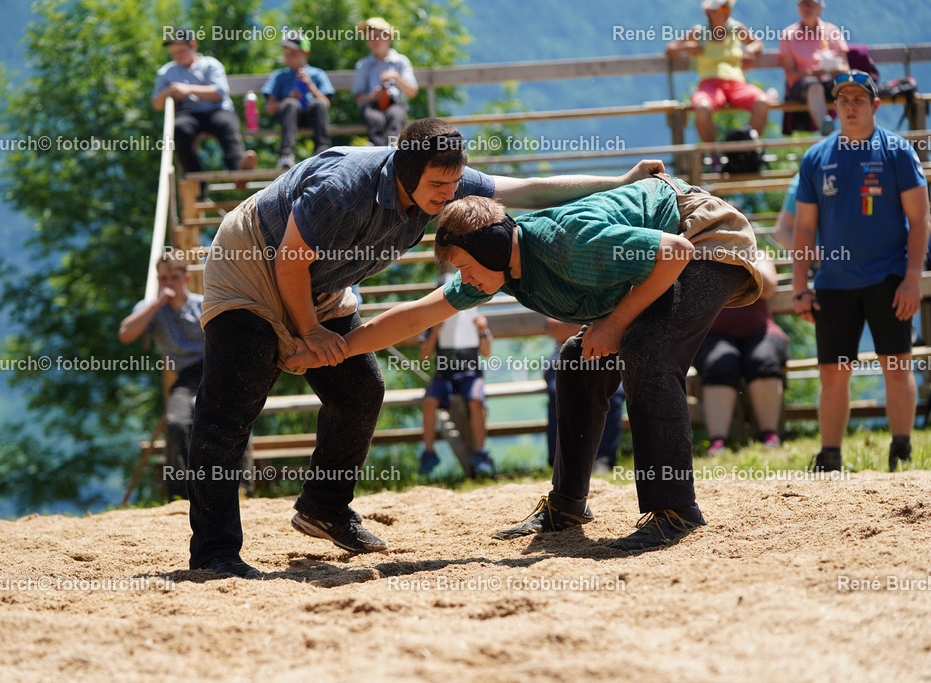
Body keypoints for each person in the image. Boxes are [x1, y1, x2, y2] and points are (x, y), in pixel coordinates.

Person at [186, 117, 677, 578]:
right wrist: (310, 333)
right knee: (229, 409)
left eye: (454, 184)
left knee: (359, 391)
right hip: (253, 265)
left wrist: (620, 180)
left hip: (322, 283)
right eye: (439, 187)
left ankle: (324, 507)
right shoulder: (340, 188)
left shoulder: (442, 180)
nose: (450, 195)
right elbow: (290, 260)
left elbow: (526, 190)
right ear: (404, 172)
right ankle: (214, 553)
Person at [289, 172, 763, 551]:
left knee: (646, 351)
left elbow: (675, 252)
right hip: (668, 251)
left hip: (703, 234)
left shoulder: (568, 241)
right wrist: (333, 348)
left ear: (491, 247)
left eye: (464, 265)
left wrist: (614, 325)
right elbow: (418, 314)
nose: (463, 277)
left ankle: (675, 511)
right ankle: (567, 505)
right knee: (577, 360)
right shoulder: (494, 270)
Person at [792, 70, 930, 472]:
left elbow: (920, 220)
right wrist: (801, 287)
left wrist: (912, 278)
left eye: (859, 99)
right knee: (833, 372)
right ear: (835, 106)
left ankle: (901, 451)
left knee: (896, 362)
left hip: (889, 278)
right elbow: (803, 228)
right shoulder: (816, 157)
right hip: (833, 282)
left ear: (875, 105)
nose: (850, 106)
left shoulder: (897, 151)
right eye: (844, 99)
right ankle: (830, 457)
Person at [118, 255, 205, 501]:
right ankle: (182, 496)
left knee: (229, 416)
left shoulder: (202, 304)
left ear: (186, 278)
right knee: (176, 421)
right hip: (186, 378)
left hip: (215, 371)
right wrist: (158, 303)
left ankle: (240, 487)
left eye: (174, 277)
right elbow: (125, 334)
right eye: (163, 278)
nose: (168, 283)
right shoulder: (150, 308)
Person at [695, 254, 789, 455]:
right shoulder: (699, 252)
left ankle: (770, 435)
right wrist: (744, 278)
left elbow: (768, 286)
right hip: (713, 334)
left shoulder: (756, 252)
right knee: (720, 363)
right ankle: (717, 442)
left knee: (763, 359)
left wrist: (736, 259)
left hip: (761, 331)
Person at [152, 28, 257, 199]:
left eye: (180, 51)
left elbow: (219, 93)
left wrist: (188, 89)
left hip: (218, 110)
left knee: (227, 125)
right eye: (173, 53)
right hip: (189, 114)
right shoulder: (166, 72)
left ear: (192, 45)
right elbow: (156, 104)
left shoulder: (211, 64)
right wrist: (168, 91)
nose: (176, 56)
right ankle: (197, 184)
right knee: (178, 128)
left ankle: (238, 172)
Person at [417, 272, 493, 477]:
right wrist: (435, 332)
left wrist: (483, 331)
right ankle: (429, 453)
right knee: (429, 402)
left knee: (476, 401)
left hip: (470, 374)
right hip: (444, 375)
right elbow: (424, 356)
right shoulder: (433, 321)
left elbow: (486, 353)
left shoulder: (476, 318)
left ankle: (481, 453)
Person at [665, 0, 769, 145]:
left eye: (729, 7)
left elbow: (757, 43)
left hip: (737, 84)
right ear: (710, 12)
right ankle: (715, 156)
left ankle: (747, 149)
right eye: (723, 8)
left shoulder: (736, 28)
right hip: (709, 85)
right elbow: (670, 49)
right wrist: (686, 47)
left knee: (762, 102)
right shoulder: (698, 32)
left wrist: (750, 50)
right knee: (702, 108)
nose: (728, 11)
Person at [544, 319, 624, 474]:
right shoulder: (558, 294)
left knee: (614, 393)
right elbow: (554, 329)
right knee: (557, 391)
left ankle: (603, 460)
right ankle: (559, 461)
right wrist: (596, 324)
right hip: (563, 353)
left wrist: (579, 323)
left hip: (604, 351)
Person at [262, 31, 335, 170]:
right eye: (286, 54)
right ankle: (286, 155)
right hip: (289, 118)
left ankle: (322, 151)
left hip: (311, 117)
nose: (288, 58)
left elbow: (326, 104)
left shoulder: (317, 74)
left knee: (318, 104)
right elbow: (270, 108)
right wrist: (288, 99)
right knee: (291, 104)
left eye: (293, 54)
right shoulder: (279, 76)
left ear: (305, 53)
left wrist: (310, 86)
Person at [779, 0, 849, 135]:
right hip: (802, 87)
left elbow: (846, 67)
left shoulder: (833, 31)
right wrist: (812, 73)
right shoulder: (788, 34)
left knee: (849, 85)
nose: (807, 8)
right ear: (798, 8)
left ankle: (858, 133)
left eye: (810, 4)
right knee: (813, 85)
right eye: (803, 4)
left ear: (820, 8)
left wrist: (834, 69)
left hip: (831, 81)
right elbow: (790, 75)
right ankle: (829, 133)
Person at [353, 17, 418, 147]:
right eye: (369, 38)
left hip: (396, 104)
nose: (373, 41)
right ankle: (380, 153)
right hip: (372, 106)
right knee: (375, 119)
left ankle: (392, 151)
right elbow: (358, 98)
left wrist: (396, 77)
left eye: (376, 37)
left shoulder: (401, 61)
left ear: (388, 37)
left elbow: (412, 92)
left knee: (395, 114)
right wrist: (371, 97)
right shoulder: (363, 65)